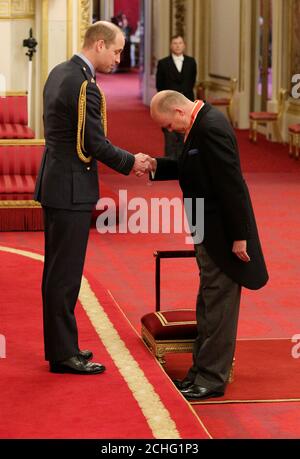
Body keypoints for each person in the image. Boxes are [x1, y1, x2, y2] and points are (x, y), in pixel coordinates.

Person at [34, 21, 151, 375]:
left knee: (58, 272)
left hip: (56, 181)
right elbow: (93, 143)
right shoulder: (85, 85)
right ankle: (62, 354)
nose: (118, 58)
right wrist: (132, 162)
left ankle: (63, 346)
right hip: (70, 187)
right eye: (116, 51)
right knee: (65, 275)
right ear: (98, 44)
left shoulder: (59, 71)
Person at [149, 90, 269, 400]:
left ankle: (212, 379)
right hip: (205, 229)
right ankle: (199, 371)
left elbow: (231, 183)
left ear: (177, 111)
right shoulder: (197, 124)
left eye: (167, 125)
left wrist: (240, 235)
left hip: (223, 235)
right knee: (207, 302)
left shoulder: (211, 126)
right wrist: (154, 166)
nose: (169, 131)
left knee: (219, 307)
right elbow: (188, 166)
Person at [156, 36, 197, 159]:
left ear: (184, 45)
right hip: (169, 106)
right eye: (175, 43)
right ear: (170, 45)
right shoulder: (163, 63)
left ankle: (186, 163)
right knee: (170, 137)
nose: (178, 45)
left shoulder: (191, 62)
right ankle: (170, 164)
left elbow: (192, 82)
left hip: (187, 105)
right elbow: (160, 86)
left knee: (187, 137)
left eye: (180, 43)